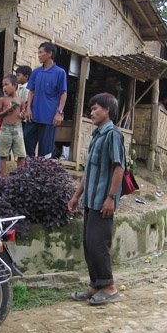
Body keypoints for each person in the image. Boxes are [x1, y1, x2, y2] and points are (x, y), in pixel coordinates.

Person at [67, 92, 125, 306]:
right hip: (90, 200)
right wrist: (75, 197)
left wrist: (111, 198)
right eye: (90, 109)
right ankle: (95, 285)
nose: (92, 112)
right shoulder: (96, 135)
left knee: (99, 244)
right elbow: (88, 171)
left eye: (95, 108)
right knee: (89, 244)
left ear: (107, 110)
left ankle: (109, 287)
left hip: (103, 201)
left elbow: (119, 168)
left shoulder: (113, 135)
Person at [25, 42, 68, 158]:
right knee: (26, 139)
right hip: (33, 115)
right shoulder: (36, 72)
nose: (38, 55)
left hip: (49, 118)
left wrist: (59, 113)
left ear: (49, 54)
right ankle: (29, 168)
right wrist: (28, 108)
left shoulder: (60, 72)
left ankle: (43, 174)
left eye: (41, 52)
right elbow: (31, 91)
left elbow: (63, 94)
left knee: (45, 151)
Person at [0, 74, 26, 176]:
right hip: (5, 129)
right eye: (3, 85)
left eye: (6, 85)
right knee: (2, 154)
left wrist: (22, 116)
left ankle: (19, 178)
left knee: (21, 154)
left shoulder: (21, 101)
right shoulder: (2, 100)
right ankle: (3, 177)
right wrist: (7, 110)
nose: (4, 88)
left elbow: (23, 115)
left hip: (17, 128)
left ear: (14, 85)